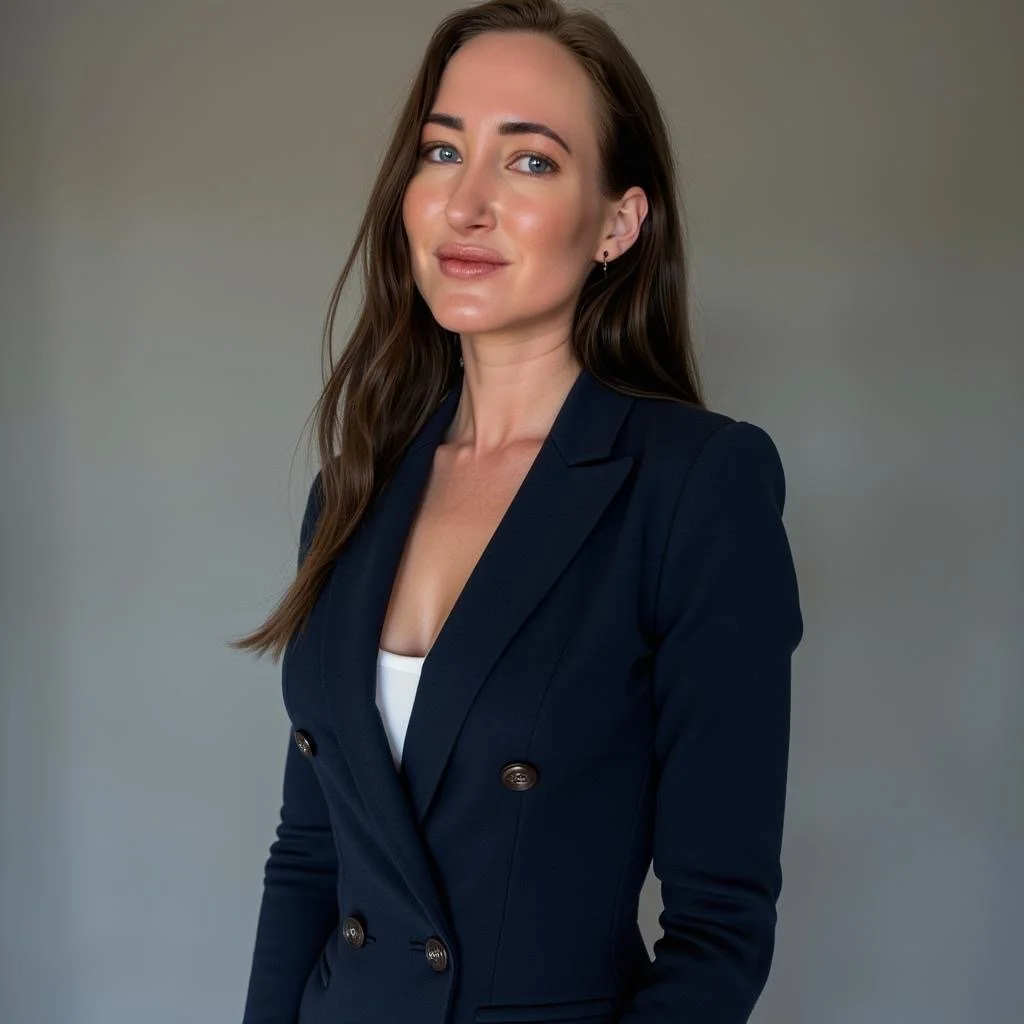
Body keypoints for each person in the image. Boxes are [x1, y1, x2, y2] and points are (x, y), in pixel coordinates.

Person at [231, 1, 804, 1022]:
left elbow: (720, 926)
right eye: (442, 151)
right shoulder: (352, 486)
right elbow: (310, 855)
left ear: (618, 223)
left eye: (529, 161)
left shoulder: (694, 484)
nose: (465, 203)